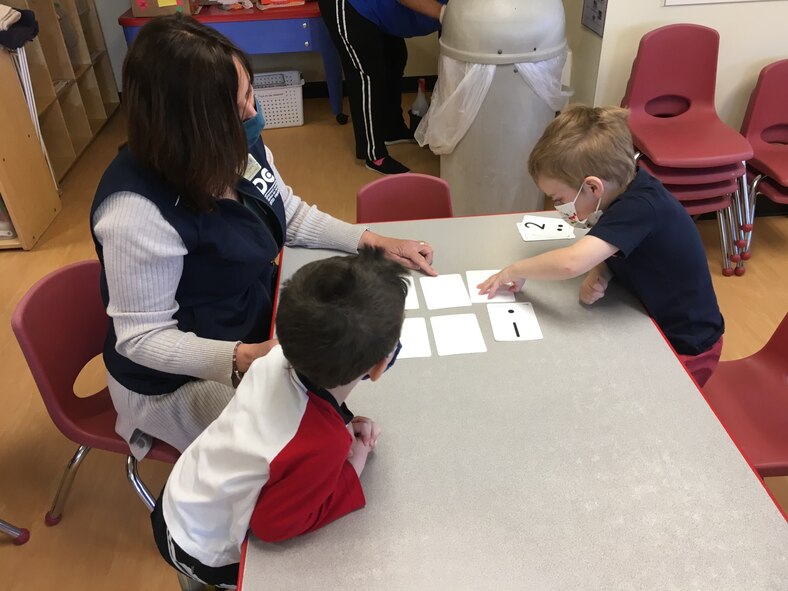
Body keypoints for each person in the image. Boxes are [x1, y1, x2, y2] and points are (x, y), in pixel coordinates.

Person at [90, 14, 435, 459]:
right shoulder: (135, 214)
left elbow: (285, 213)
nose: (254, 114)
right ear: (192, 127)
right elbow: (141, 339)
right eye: (239, 107)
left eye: (249, 92)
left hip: (253, 320)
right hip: (176, 381)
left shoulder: (232, 145)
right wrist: (244, 358)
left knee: (364, 338)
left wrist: (372, 240)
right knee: (301, 452)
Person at [150, 247, 405, 587]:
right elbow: (273, 527)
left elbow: (289, 419)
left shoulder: (274, 358)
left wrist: (341, 421)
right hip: (198, 548)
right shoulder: (321, 445)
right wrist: (352, 465)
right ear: (378, 367)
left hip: (184, 493)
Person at [477, 105, 725, 386]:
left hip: (687, 345)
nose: (556, 206)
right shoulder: (622, 188)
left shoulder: (641, 206)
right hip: (647, 323)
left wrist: (514, 270)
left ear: (593, 187)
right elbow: (629, 247)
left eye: (558, 198)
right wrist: (604, 269)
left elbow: (571, 262)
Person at [317, 0, 448, 174]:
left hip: (379, 8)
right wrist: (444, 13)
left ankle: (392, 129)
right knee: (367, 74)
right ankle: (374, 154)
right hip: (350, 5)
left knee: (395, 57)